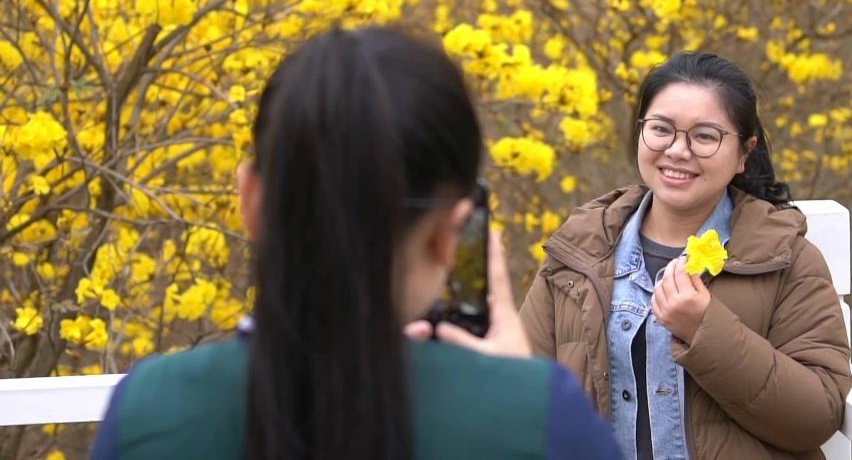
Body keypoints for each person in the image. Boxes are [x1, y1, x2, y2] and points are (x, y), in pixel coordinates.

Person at [91, 28, 622, 460]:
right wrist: (517, 392)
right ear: (450, 233)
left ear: (251, 200)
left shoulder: (149, 410)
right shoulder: (540, 421)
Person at [519, 52, 852, 460]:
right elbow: (521, 395)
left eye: (705, 136)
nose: (677, 150)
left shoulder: (785, 257)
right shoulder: (577, 253)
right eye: (661, 129)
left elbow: (817, 416)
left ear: (744, 153)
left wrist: (705, 330)